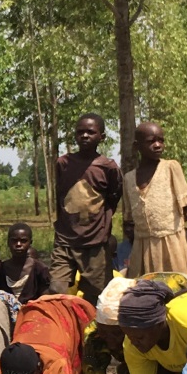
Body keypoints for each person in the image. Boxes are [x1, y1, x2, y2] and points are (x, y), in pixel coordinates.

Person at [51, 114, 122, 297]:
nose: (85, 136)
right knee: (56, 288)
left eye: (90, 132)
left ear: (102, 137)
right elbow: (61, 196)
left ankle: (90, 325)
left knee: (95, 293)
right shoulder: (64, 163)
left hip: (95, 242)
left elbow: (114, 197)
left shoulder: (108, 167)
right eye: (80, 132)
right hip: (65, 240)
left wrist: (100, 224)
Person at [122, 122, 187, 277]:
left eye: (161, 140)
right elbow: (129, 217)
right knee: (144, 289)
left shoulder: (170, 168)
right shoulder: (129, 178)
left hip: (172, 244)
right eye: (151, 141)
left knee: (175, 286)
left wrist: (171, 228)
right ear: (137, 146)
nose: (158, 145)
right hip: (141, 246)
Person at [0, 222, 53, 302]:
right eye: (14, 241)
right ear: (8, 242)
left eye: (23, 241)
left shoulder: (40, 270)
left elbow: (44, 300)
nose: (18, 244)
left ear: (30, 243)